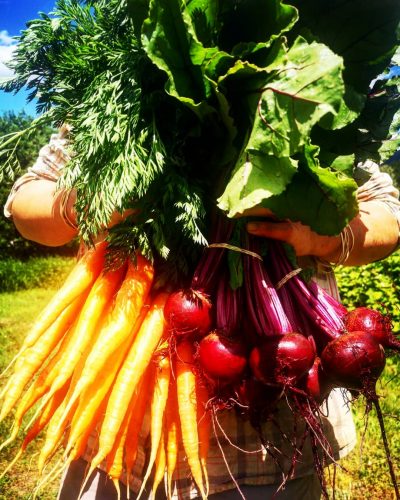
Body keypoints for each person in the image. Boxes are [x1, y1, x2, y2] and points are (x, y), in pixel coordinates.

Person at [4, 126, 400, 499]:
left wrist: (321, 237)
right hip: (110, 426)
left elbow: (388, 216)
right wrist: (103, 200)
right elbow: (26, 202)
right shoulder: (108, 113)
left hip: (272, 429)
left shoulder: (309, 87)